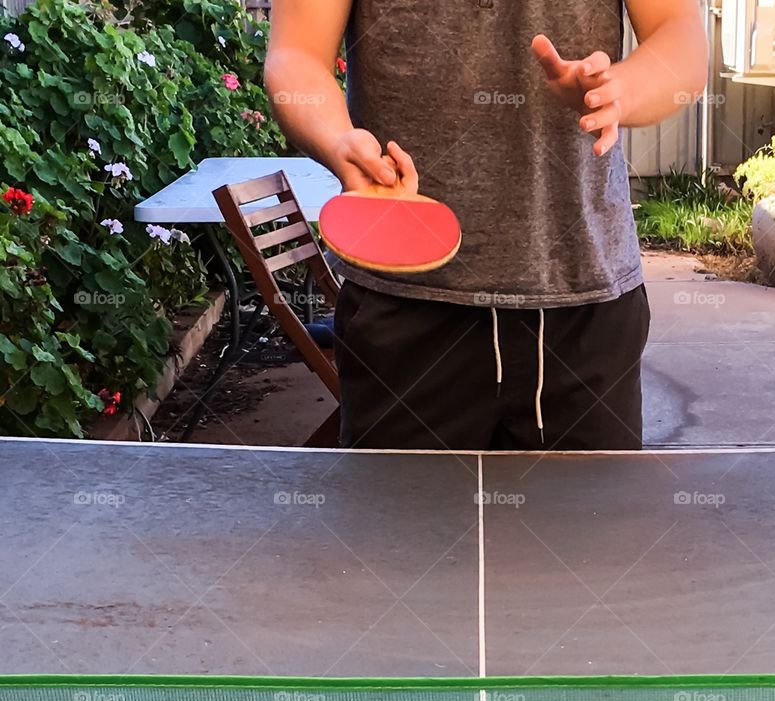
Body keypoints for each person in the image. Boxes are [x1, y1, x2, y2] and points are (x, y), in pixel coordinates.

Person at [265, 1, 707, 450]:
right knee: (402, 521)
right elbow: (297, 53)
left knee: (587, 521)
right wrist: (338, 140)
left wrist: (621, 89)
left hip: (586, 305)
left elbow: (680, 37)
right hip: (402, 309)